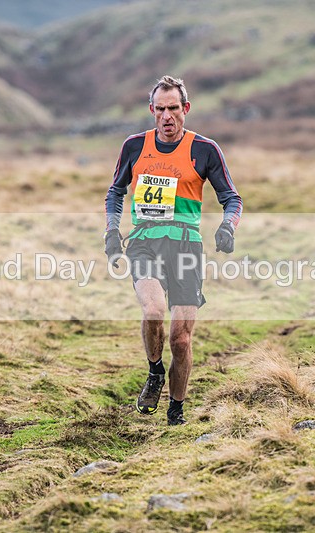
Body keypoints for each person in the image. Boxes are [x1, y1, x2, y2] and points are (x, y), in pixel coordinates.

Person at [104, 75, 243, 426]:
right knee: (153, 310)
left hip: (185, 246)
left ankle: (176, 411)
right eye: (161, 109)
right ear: (152, 110)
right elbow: (115, 192)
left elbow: (232, 198)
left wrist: (227, 227)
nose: (168, 116)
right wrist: (111, 229)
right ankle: (154, 372)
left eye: (174, 109)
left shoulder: (205, 150)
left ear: (186, 109)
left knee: (181, 338)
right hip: (144, 241)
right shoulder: (134, 146)